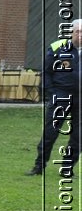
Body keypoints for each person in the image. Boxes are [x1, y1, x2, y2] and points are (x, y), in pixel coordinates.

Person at [31, 19, 82, 176]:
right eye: (78, 31)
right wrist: (51, 92)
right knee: (51, 131)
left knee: (78, 136)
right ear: (71, 32)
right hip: (61, 95)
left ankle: (67, 167)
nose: (80, 35)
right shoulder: (58, 47)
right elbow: (46, 72)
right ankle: (39, 166)